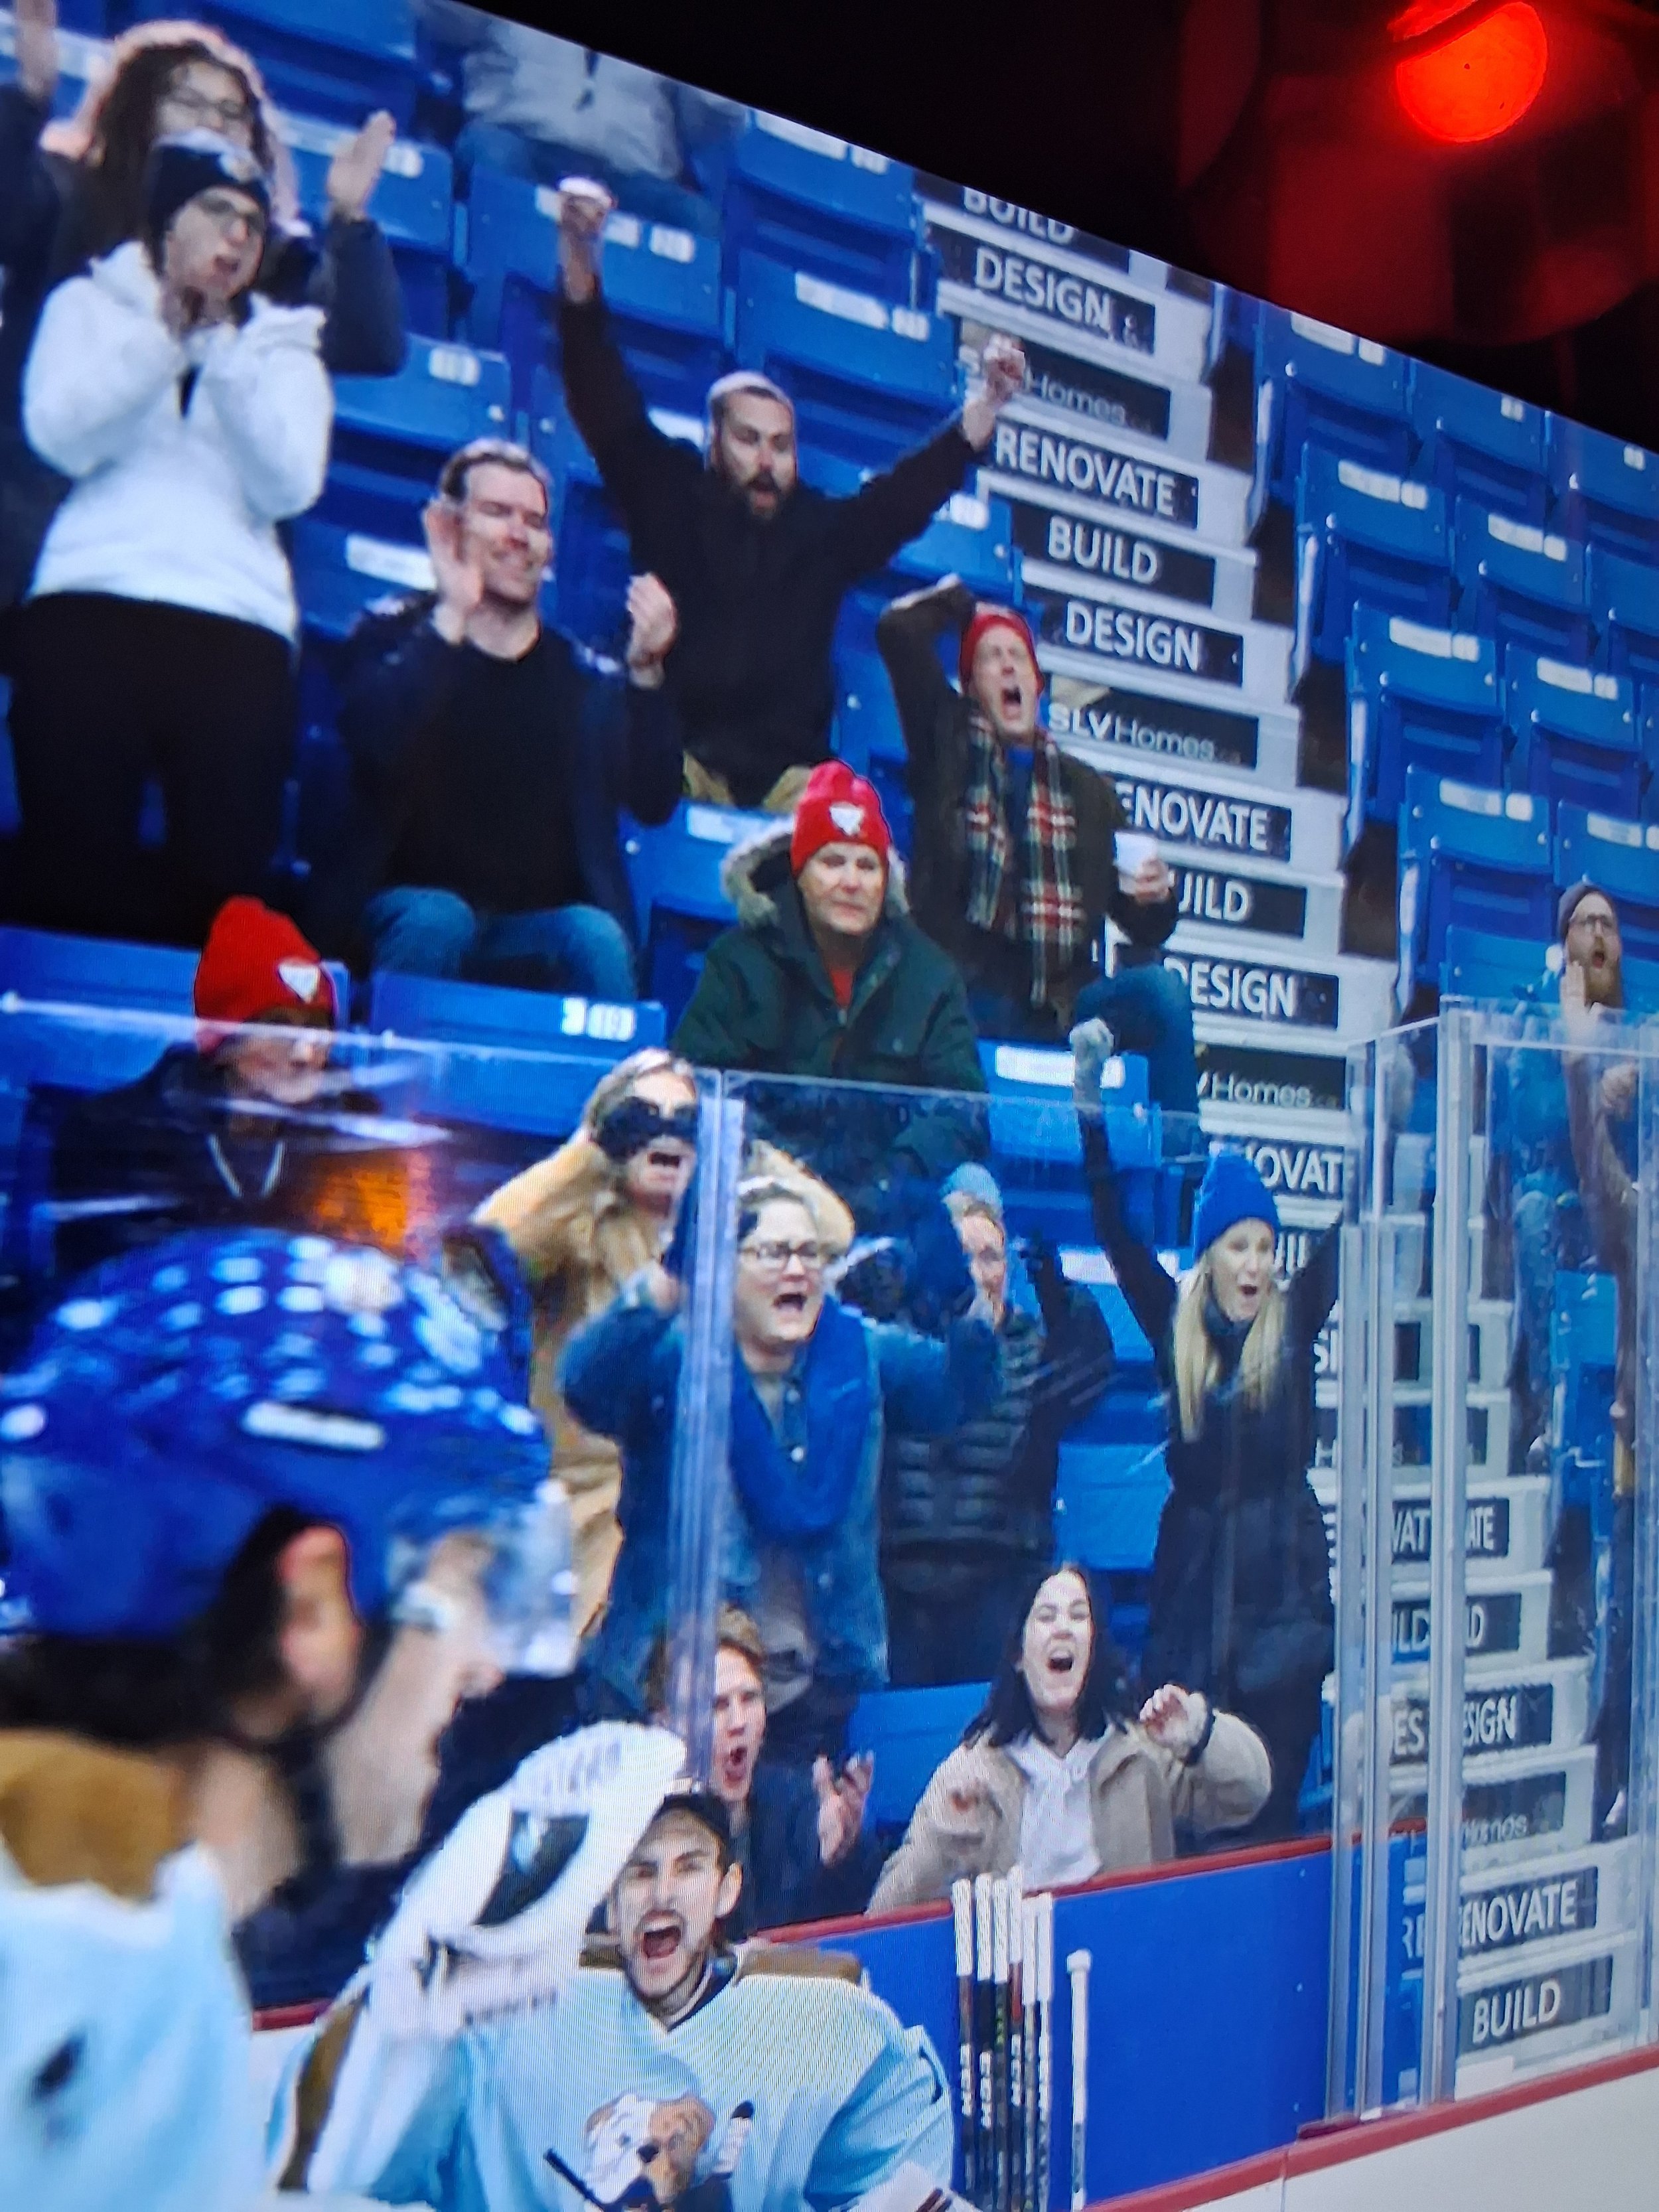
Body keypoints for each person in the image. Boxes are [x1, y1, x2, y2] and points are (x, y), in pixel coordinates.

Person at [0, 1220, 580, 2186]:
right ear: (311, 1605)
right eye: (471, 1580)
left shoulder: (92, 1905)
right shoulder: (109, 1975)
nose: (481, 1668)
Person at [555, 178, 1028, 810]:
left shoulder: (820, 532)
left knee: (856, 838)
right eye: (749, 440)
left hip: (789, 780)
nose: (767, 460)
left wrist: (988, 405)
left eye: (781, 444)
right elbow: (599, 394)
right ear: (714, 441)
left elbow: (903, 499)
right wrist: (580, 256)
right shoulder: (666, 488)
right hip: (676, 756)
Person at [281, 1777, 956, 2212]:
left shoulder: (816, 2018)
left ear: (727, 1889)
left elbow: (901, 2168)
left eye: (687, 1867)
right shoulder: (507, 2020)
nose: (660, 1892)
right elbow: (339, 2140)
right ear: (606, 1903)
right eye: (638, 1873)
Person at [13, 129, 331, 945]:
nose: (236, 237)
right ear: (164, 220)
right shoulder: (87, 304)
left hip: (237, 626)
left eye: (252, 226)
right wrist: (162, 341)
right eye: (216, 212)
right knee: (66, 871)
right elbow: (60, 433)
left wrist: (219, 353)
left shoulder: (286, 347)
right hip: (91, 601)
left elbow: (289, 482)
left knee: (223, 894)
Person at [560, 1175, 997, 1755]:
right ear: (726, 1267)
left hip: (810, 1701)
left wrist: (963, 1299)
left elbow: (959, 1397)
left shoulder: (857, 1351)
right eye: (773, 1252)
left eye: (809, 1253)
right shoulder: (675, 1355)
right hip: (668, 1697)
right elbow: (584, 1385)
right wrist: (672, 1278)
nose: (797, 1268)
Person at [0, 2, 402, 615]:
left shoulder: (272, 260)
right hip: (43, 532)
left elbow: (372, 343)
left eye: (232, 113)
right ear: (138, 108)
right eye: (187, 102)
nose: (212, 123)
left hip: (205, 568)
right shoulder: (70, 192)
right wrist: (29, 98)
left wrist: (349, 222)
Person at [1074, 1020, 1335, 1841]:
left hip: (1282, 1593)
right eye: (1238, 1246)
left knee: (1270, 1805)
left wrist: (1399, 1124)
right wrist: (1089, 1107)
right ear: (1211, 1256)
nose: (1256, 1264)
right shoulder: (1174, 1329)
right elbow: (1116, 1233)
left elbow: (1360, 1227)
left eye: (1265, 1245)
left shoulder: (1291, 1329)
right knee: (1187, 1811)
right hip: (1195, 1594)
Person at [336, 438, 684, 996]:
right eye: (497, 514)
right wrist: (453, 613)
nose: (519, 536)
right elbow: (373, 746)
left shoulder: (584, 679)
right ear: (450, 529)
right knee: (439, 919)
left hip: (531, 933)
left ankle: (617, 1085)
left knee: (595, 937)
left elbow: (655, 797)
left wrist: (645, 672)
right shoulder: (391, 636)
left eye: (535, 521)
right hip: (405, 914)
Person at [0, 899, 431, 1344]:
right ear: (226, 1040)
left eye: (317, 1027)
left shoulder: (361, 1138)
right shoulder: (114, 1134)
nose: (306, 1053)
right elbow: (125, 1292)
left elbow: (375, 1281)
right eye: (279, 1027)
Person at [875, 577, 1198, 1113]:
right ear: (970, 686)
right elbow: (897, 632)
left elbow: (1145, 924)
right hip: (969, 994)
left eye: (1017, 657)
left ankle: (1182, 1168)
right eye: (990, 658)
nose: (1007, 667)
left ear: (1037, 683)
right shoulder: (945, 748)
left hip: (1066, 1006)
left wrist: (1156, 897)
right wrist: (962, 603)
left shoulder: (1089, 791)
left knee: (1162, 995)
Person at [867, 1564, 1269, 1909]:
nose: (1063, 1628)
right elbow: (885, 1915)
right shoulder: (974, 1770)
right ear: (1018, 1656)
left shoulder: (1140, 1755)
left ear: (1095, 1650)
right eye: (1046, 1616)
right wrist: (946, 1837)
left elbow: (1250, 1794)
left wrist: (1201, 1733)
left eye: (1079, 1616)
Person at [475, 1051, 700, 1639]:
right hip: (585, 1528)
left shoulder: (733, 1237)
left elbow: (831, 1230)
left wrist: (742, 1150)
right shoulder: (578, 1222)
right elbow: (485, 1249)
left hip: (696, 1537)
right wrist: (591, 1148)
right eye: (644, 1115)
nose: (666, 1131)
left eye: (685, 1120)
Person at [882, 1181, 1116, 1687]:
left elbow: (1092, 1368)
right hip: (901, 1590)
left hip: (997, 1584)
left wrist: (1062, 1297)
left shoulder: (1034, 1350)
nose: (978, 1273)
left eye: (990, 1257)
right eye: (963, 1257)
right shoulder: (896, 1346)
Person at [671, 761, 986, 1094]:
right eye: (832, 862)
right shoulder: (738, 963)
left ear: (886, 883)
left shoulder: (931, 978)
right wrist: (763, 1149)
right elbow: (696, 1086)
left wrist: (900, 1151)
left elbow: (960, 1112)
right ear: (800, 875)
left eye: (867, 866)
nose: (852, 883)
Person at [1494, 881, 1634, 1465]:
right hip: (1561, 1203)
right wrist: (1590, 1091)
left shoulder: (1640, 1030)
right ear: (1565, 940)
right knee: (1531, 1214)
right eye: (1586, 923)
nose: (1599, 933)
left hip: (1622, 1208)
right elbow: (1527, 1121)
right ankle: (1549, 1408)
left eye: (1609, 924)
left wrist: (1638, 1089)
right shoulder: (1534, 1016)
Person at [649, 1607, 885, 1936]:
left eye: (749, 1698)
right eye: (717, 1706)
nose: (739, 1722)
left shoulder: (797, 1807)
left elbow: (847, 1933)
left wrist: (843, 1861)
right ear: (665, 1725)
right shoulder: (629, 1833)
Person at [412, 3, 745, 231]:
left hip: (630, 176)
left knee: (696, 220)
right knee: (491, 155)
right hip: (520, 139)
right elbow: (441, 18)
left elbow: (705, 125)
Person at [1559, 955, 1638, 1835]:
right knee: (1626, 1644)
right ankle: (1617, 1797)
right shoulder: (1639, 1216)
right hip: (1642, 1479)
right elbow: (1592, 1168)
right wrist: (1581, 1069)